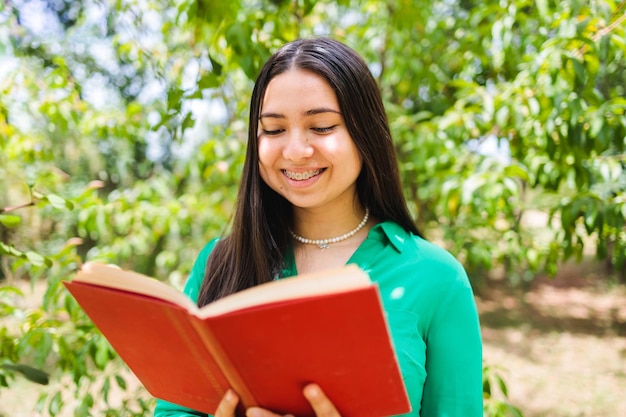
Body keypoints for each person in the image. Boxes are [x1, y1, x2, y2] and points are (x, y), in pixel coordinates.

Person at [154, 37, 483, 417]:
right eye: (274, 130)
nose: (295, 150)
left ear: (366, 133)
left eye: (322, 126)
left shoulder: (436, 278)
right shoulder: (220, 261)